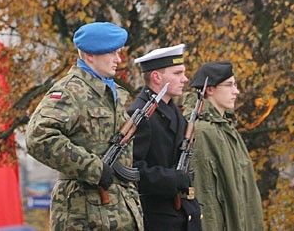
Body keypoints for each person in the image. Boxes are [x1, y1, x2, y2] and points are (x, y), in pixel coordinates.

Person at [26, 22, 143, 230]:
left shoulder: (112, 93)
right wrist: (93, 168)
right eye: (112, 53)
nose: (119, 59)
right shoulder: (71, 90)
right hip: (85, 216)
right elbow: (39, 137)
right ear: (90, 55)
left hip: (119, 214)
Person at [129, 44, 202, 230]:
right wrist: (170, 179)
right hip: (158, 217)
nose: (185, 79)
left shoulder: (170, 109)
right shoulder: (141, 114)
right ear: (156, 77)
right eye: (177, 73)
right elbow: (131, 168)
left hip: (181, 213)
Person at [186, 62, 264, 230]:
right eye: (229, 85)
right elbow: (205, 193)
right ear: (210, 89)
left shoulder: (227, 129)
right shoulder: (202, 131)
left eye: (235, 85)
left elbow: (244, 188)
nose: (236, 91)